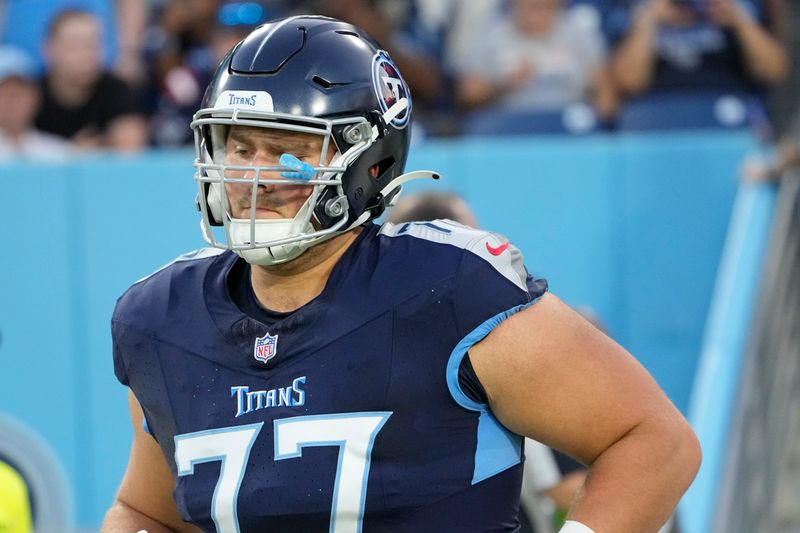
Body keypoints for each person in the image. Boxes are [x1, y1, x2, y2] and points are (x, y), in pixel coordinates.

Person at [102, 15, 700, 533]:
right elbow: (148, 511)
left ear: (369, 161)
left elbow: (653, 441)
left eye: (291, 149)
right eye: (239, 147)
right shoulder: (161, 319)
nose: (256, 177)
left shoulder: (450, 291)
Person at [454, 0, 617, 122]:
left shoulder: (579, 36)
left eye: (546, 8)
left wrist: (594, 117)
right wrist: (504, 83)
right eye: (532, 7)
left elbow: (606, 98)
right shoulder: (492, 36)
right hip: (511, 124)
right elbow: (468, 94)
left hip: (567, 122)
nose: (538, 16)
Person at [610, 0, 787, 103]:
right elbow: (628, 83)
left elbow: (774, 71)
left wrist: (741, 21)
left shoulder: (738, 7)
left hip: (729, 109)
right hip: (658, 112)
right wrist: (649, 21)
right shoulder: (636, 8)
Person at [34, 9, 148, 151]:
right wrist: (70, 151)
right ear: (48, 49)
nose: (87, 54)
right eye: (76, 45)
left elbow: (131, 145)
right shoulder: (30, 94)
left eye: (94, 44)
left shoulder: (116, 89)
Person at [0, 46, 71, 161]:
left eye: (19, 94)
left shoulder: (59, 153)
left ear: (35, 98)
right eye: (4, 93)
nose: (11, 102)